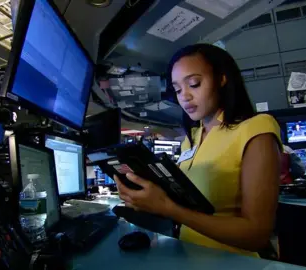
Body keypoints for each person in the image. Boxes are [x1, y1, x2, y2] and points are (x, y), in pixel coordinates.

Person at [114, 44, 281, 257]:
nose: (184, 96)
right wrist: (144, 194)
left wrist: (170, 209)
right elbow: (185, 202)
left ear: (222, 78)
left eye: (194, 84)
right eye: (178, 89)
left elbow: (256, 234)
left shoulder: (256, 128)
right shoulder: (191, 139)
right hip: (188, 255)